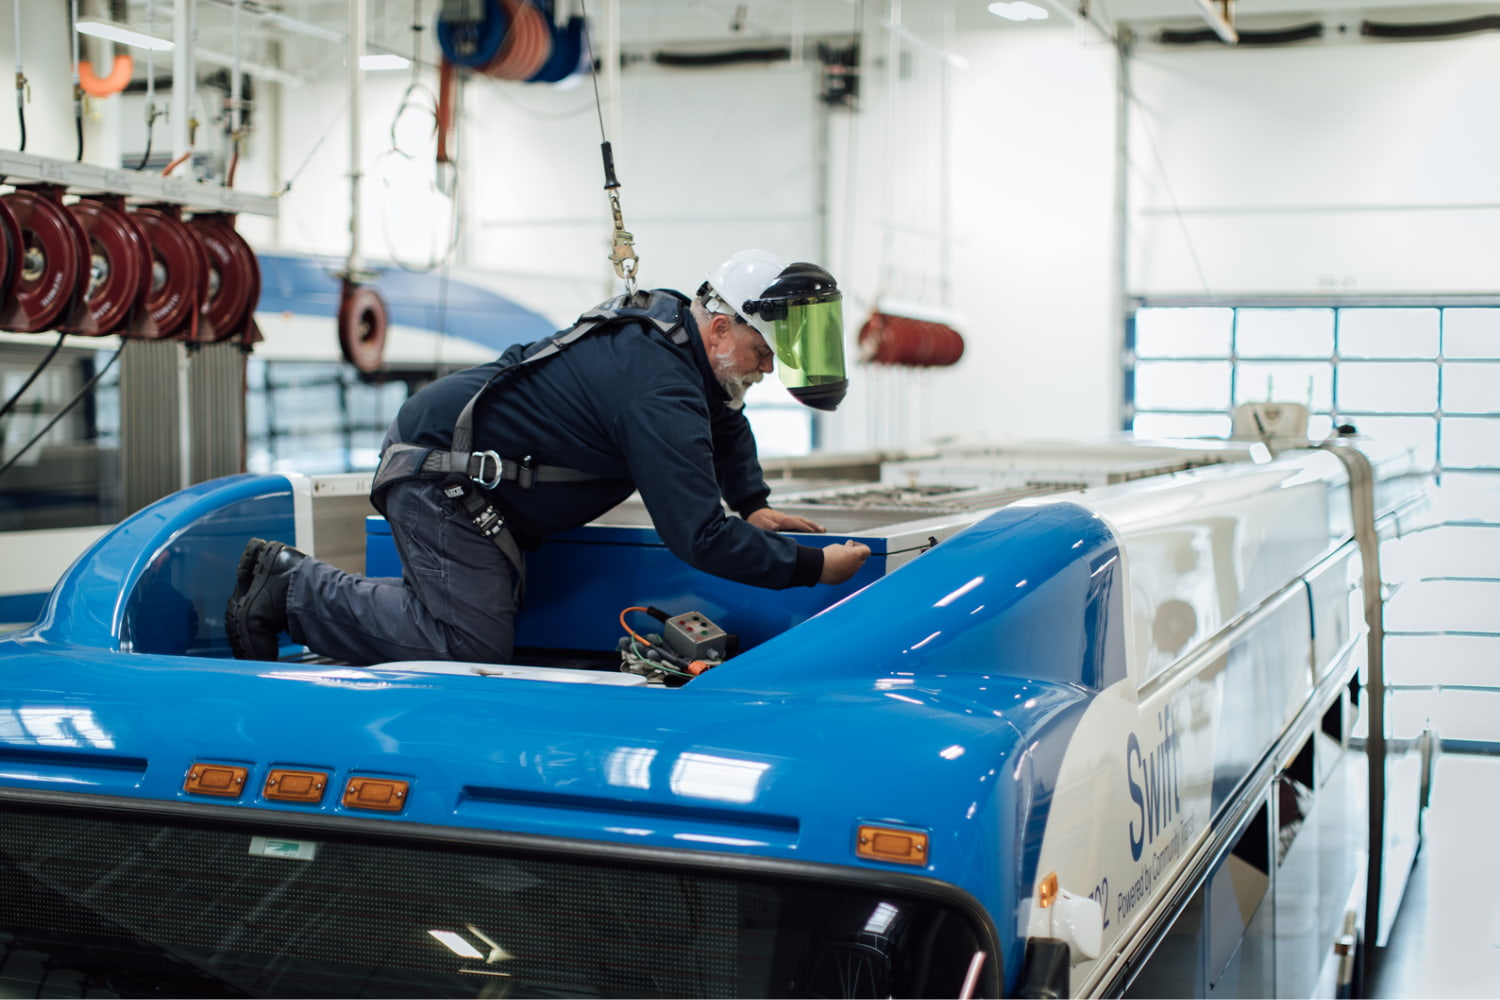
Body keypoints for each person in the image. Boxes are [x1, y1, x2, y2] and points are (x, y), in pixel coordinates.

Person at [225, 249, 872, 665]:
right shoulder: (660, 383)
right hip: (446, 472)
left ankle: (336, 595)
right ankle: (293, 588)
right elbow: (697, 536)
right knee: (465, 646)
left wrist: (753, 504)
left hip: (473, 478)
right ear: (723, 326)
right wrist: (812, 569)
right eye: (764, 353)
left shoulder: (678, 338)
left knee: (465, 621)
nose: (764, 370)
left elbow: (725, 418)